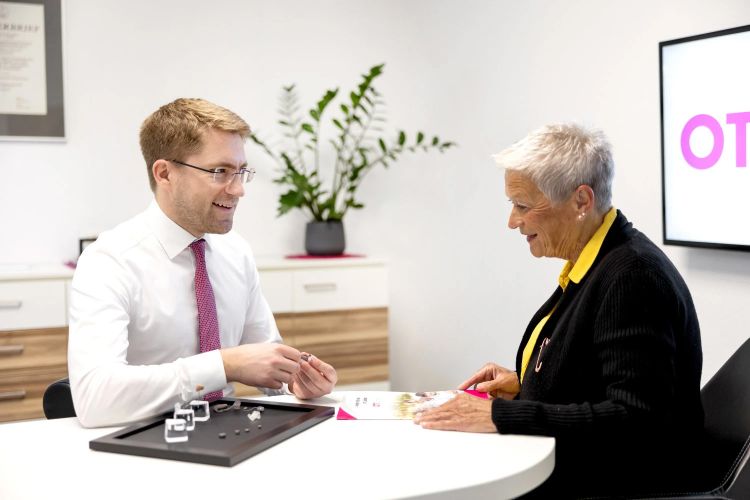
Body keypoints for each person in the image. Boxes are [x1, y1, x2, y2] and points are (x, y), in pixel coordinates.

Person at [413, 123, 705, 498]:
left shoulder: (632, 276)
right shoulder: (598, 261)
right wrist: (531, 385)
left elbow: (635, 419)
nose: (512, 221)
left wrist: (500, 415)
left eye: (523, 206)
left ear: (581, 201)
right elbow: (596, 378)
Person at [68, 98, 337, 428]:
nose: (238, 190)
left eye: (240, 172)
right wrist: (222, 365)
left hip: (228, 432)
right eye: (219, 172)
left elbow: (264, 355)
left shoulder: (235, 251)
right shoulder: (109, 261)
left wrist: (296, 381)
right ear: (165, 173)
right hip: (143, 439)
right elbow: (95, 399)